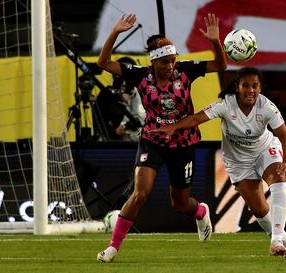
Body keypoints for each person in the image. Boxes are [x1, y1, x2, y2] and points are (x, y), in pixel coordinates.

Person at [96, 13, 227, 263]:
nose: (170, 66)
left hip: (183, 143)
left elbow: (221, 67)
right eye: (165, 62)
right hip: (152, 141)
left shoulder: (186, 70)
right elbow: (103, 63)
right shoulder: (139, 75)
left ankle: (200, 212)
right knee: (140, 194)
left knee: (179, 204)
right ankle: (113, 247)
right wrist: (114, 32)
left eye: (172, 60)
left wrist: (215, 41)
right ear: (154, 62)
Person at [152, 67, 286, 262]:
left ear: (260, 88)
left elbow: (284, 136)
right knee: (260, 211)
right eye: (245, 85)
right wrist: (174, 127)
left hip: (265, 150)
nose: (250, 90)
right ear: (237, 87)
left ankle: (276, 240)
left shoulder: (267, 106)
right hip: (238, 162)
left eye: (255, 86)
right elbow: (197, 118)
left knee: (279, 179)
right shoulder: (225, 105)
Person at [96, 56, 145, 141]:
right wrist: (114, 131)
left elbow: (142, 118)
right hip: (111, 143)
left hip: (136, 141)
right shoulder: (106, 94)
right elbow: (100, 121)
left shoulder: (140, 91)